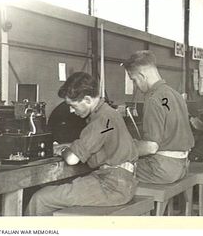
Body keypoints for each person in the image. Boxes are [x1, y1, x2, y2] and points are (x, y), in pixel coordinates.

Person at [25, 72, 138, 216]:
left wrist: (63, 149)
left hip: (111, 185)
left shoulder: (101, 119)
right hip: (121, 181)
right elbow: (97, 142)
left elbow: (72, 159)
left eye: (73, 105)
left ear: (88, 99)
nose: (71, 110)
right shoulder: (108, 113)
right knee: (53, 188)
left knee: (40, 198)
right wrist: (70, 145)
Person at [122, 50, 194, 184]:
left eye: (134, 80)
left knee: (113, 169)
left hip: (162, 169)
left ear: (142, 76)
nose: (136, 86)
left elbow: (151, 147)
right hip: (183, 165)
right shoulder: (175, 94)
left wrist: (123, 149)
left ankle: (142, 205)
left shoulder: (153, 99)